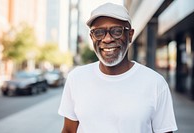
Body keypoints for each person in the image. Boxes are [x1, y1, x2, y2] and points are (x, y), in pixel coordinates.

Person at [58, 3, 177, 133]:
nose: (107, 39)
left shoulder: (155, 83)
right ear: (92, 37)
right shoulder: (76, 78)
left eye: (116, 31)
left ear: (130, 35)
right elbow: (69, 131)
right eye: (98, 32)